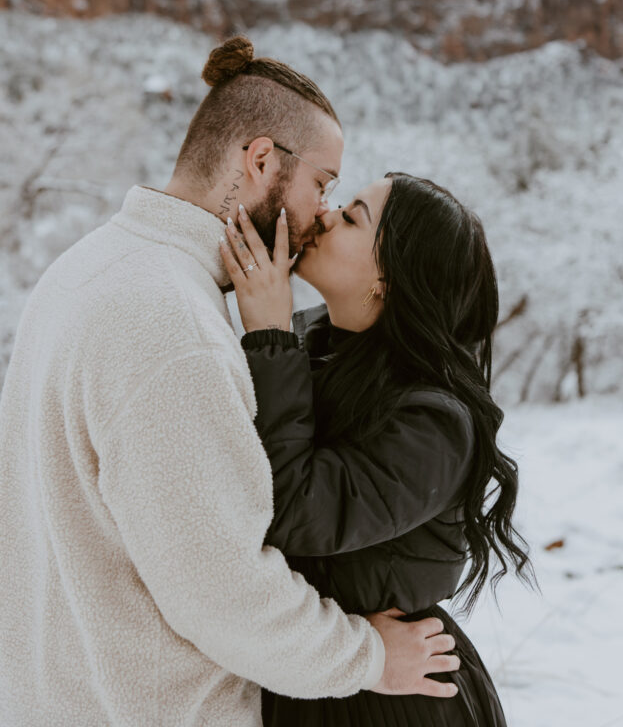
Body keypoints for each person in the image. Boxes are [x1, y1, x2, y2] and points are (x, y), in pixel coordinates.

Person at [0, 38, 460, 726]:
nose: (319, 214)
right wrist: (366, 658)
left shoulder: (88, 265)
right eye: (321, 184)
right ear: (261, 160)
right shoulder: (174, 327)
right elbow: (221, 589)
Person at [219, 171, 536, 725]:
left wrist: (269, 337)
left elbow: (289, 510)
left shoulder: (435, 423)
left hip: (391, 699)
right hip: (323, 672)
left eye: (351, 217)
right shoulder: (319, 353)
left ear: (386, 282)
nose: (323, 216)